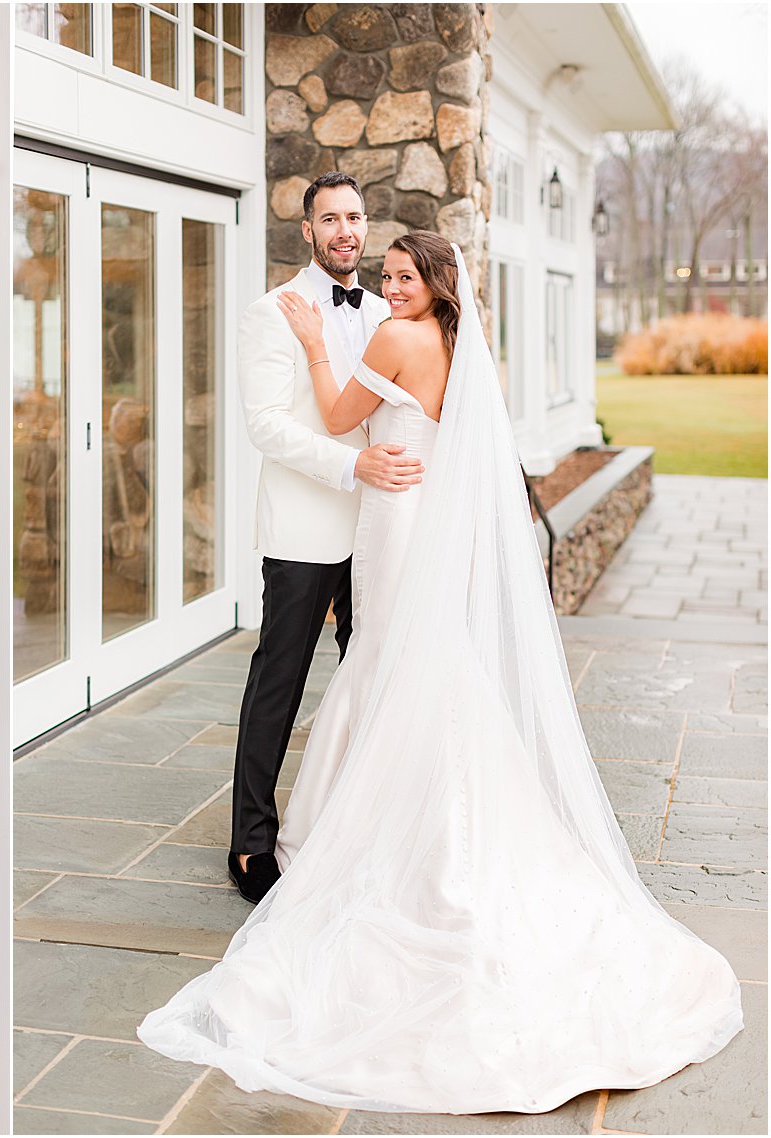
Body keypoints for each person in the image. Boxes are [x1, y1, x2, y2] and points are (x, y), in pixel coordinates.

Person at [140, 232, 742, 1113]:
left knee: (387, 657)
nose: (389, 288)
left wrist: (315, 345)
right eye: (383, 276)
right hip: (426, 513)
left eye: (403, 277)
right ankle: (438, 808)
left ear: (434, 282)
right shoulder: (459, 346)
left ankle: (392, 827)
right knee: (417, 660)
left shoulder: (392, 338)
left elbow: (342, 418)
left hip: (392, 513)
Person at [229, 172, 422, 903]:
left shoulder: (386, 311)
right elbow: (266, 424)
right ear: (305, 231)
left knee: (369, 676)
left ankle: (355, 824)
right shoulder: (271, 312)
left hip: (379, 526)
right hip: (306, 525)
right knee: (278, 681)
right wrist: (352, 464)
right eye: (330, 218)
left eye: (356, 216)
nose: (345, 229)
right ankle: (250, 841)